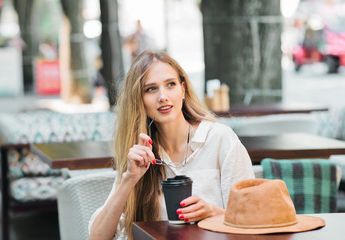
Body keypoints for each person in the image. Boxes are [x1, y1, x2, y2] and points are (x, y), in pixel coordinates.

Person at [88, 50, 255, 240]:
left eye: (170, 85)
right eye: (151, 89)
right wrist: (129, 179)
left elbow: (252, 222)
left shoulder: (220, 139)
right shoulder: (141, 153)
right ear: (139, 100)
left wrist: (213, 212)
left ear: (183, 89)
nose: (163, 96)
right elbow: (97, 237)